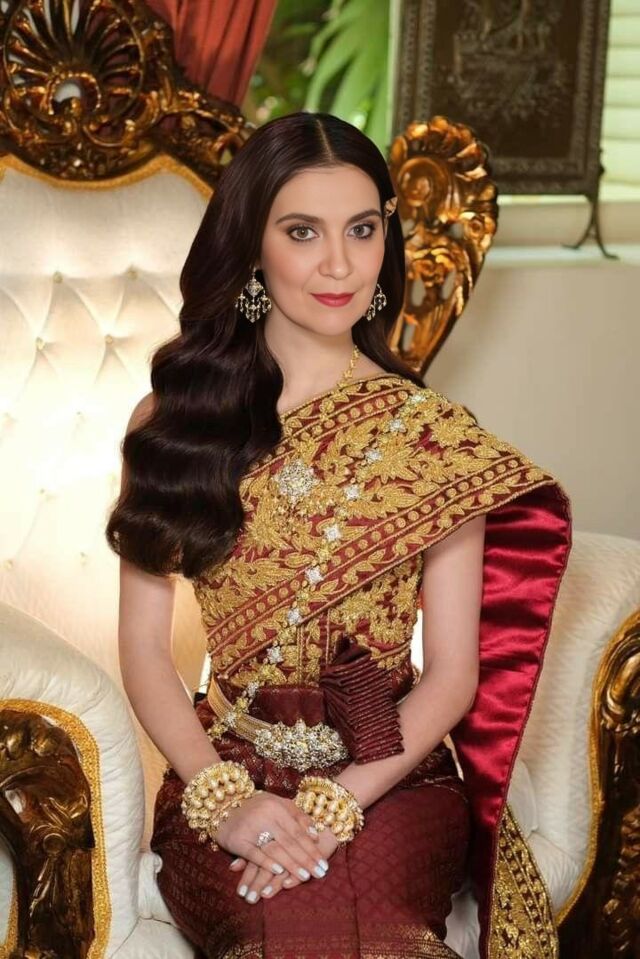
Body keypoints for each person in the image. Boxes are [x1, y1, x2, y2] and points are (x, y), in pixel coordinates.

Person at [106, 111, 572, 959]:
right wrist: (224, 800)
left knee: (368, 929)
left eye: (362, 230)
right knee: (278, 923)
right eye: (302, 232)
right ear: (252, 245)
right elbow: (143, 650)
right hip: (228, 771)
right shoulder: (175, 421)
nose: (339, 264)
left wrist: (336, 805)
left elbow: (454, 675)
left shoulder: (435, 437)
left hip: (391, 778)